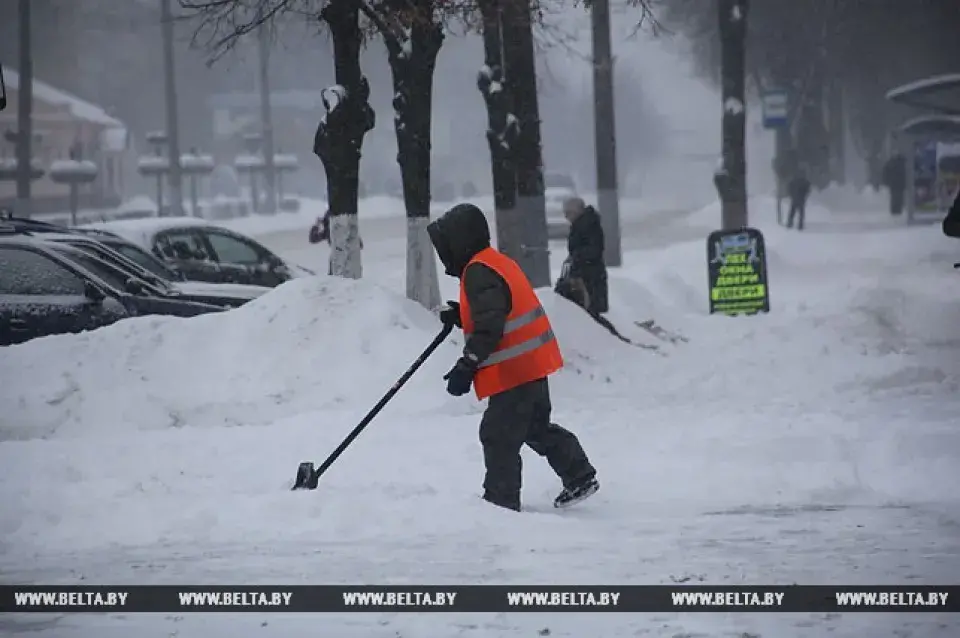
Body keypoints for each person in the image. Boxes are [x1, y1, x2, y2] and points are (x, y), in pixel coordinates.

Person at [427, 203, 599, 512]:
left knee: (498, 436)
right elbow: (499, 311)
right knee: (535, 428)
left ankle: (500, 503)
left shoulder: (478, 271)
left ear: (460, 241)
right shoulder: (493, 262)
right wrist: (463, 316)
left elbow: (492, 323)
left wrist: (467, 364)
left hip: (514, 370)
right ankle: (578, 474)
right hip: (531, 365)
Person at [560, 197, 609, 315]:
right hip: (586, 274)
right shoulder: (582, 224)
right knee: (589, 313)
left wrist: (576, 256)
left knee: (591, 313)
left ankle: (609, 333)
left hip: (590, 277)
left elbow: (595, 249)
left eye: (568, 213)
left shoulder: (588, 225)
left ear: (577, 211)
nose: (566, 217)